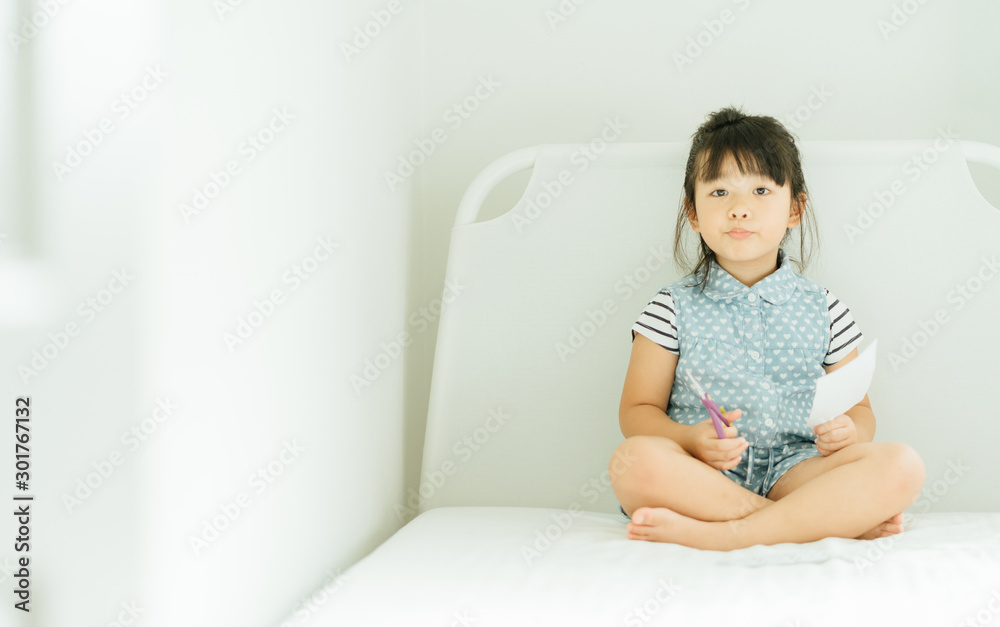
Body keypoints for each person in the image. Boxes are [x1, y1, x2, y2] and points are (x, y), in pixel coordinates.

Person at [607, 106, 925, 550]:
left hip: (798, 471)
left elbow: (861, 411)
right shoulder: (671, 307)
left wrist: (852, 432)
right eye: (719, 193)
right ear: (693, 213)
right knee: (634, 460)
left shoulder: (826, 308)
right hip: (702, 477)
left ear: (795, 209)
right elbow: (637, 412)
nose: (739, 209)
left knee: (902, 465)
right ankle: (810, 523)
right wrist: (689, 439)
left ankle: (724, 535)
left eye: (760, 190)